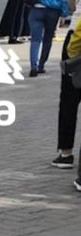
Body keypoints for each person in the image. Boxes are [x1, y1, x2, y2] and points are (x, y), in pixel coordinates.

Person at [52, 2, 81, 168]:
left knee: (69, 100)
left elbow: (71, 6)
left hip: (76, 38)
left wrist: (71, 52)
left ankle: (66, 152)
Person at [28, 0, 68, 76]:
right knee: (48, 39)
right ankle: (41, 65)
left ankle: (33, 67)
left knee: (35, 40)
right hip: (53, 10)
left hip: (37, 9)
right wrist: (64, 13)